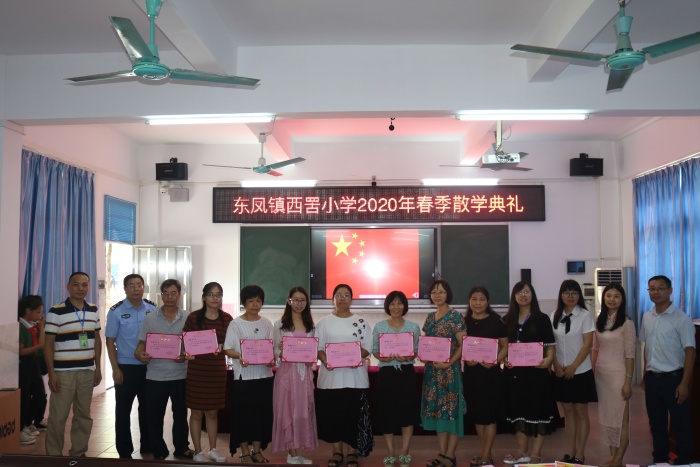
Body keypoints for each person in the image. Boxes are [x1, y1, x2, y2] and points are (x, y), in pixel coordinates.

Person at [44, 272, 102, 457]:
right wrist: (52, 373)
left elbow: (97, 339)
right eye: (76, 285)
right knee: (58, 417)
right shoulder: (56, 311)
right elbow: (48, 344)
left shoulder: (93, 309)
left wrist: (98, 367)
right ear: (68, 286)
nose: (80, 288)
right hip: (63, 373)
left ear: (89, 287)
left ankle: (78, 453)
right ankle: (54, 456)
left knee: (83, 415)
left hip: (87, 371)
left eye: (84, 285)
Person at [639, 275, 695, 465]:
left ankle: (684, 462)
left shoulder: (681, 319)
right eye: (652, 288)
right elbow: (647, 347)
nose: (656, 292)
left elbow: (690, 352)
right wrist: (645, 373)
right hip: (653, 379)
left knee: (681, 425)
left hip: (674, 379)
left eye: (660, 288)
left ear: (670, 291)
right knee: (656, 424)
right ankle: (660, 461)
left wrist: (684, 383)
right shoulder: (647, 316)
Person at [134, 278, 193, 460]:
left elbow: (191, 346)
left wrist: (185, 355)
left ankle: (181, 447)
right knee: (154, 416)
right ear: (161, 295)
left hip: (180, 375)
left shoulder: (188, 317)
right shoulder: (150, 318)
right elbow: (141, 346)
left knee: (181, 415)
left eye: (173, 293)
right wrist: (140, 355)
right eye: (166, 293)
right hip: (155, 376)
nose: (169, 297)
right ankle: (158, 450)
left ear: (179, 294)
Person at [316, 284, 374, 467]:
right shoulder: (324, 322)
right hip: (330, 379)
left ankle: (352, 452)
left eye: (346, 295)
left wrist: (355, 357)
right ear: (333, 299)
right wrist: (326, 360)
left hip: (355, 379)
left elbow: (368, 346)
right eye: (338, 295)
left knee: (353, 417)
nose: (342, 298)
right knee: (333, 417)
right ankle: (337, 452)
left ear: (351, 299)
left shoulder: (361, 321)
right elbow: (318, 347)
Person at [502, 281, 555, 465]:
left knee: (537, 413)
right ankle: (523, 452)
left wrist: (549, 359)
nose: (523, 295)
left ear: (532, 295)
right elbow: (502, 348)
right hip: (514, 375)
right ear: (514, 296)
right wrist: (504, 360)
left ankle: (535, 455)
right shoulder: (507, 319)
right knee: (517, 413)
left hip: (536, 374)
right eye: (519, 292)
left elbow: (550, 347)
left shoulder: (542, 319)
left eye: (526, 292)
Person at [105, 273, 156, 458]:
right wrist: (115, 369)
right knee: (123, 410)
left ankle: (147, 446)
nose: (136, 289)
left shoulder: (152, 308)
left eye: (139, 285)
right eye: (132, 285)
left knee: (147, 409)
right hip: (125, 367)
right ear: (125, 288)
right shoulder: (116, 311)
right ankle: (124, 450)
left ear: (144, 287)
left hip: (149, 367)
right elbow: (110, 341)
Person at [223, 285, 275, 463]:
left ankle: (257, 451)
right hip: (244, 378)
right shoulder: (236, 324)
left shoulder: (267, 323)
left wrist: (271, 359)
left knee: (261, 416)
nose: (255, 304)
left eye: (258, 300)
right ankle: (245, 452)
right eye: (250, 300)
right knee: (243, 416)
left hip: (264, 377)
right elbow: (227, 349)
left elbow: (271, 349)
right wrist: (240, 356)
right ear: (244, 303)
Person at [183, 282, 233, 463]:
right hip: (197, 372)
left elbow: (231, 345)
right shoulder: (193, 318)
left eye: (218, 294)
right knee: (196, 413)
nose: (215, 298)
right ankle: (197, 451)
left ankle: (213, 449)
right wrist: (187, 352)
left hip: (216, 372)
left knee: (212, 413)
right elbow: (185, 342)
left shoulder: (227, 319)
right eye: (211, 294)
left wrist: (223, 348)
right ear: (204, 297)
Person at [372, 291, 421, 467]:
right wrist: (383, 358)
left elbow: (417, 350)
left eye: (399, 303)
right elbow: (375, 349)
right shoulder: (379, 326)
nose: (396, 307)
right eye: (392, 303)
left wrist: (408, 357)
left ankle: (405, 452)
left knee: (407, 412)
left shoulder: (413, 327)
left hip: (406, 373)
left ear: (404, 306)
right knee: (387, 413)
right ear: (388, 306)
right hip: (387, 374)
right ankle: (391, 452)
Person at [551, 279, 597, 465]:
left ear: (579, 295)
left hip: (580, 371)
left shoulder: (585, 316)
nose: (570, 296)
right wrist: (556, 364)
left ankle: (580, 453)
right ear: (561, 295)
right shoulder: (554, 315)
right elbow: (551, 344)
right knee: (568, 412)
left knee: (581, 412)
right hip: (560, 371)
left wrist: (573, 366)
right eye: (566, 292)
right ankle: (570, 451)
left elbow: (588, 345)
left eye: (574, 293)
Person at [421, 279, 466, 467]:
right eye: (434, 292)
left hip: (450, 373)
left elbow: (463, 346)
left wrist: (448, 364)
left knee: (451, 412)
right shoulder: (430, 317)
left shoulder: (456, 317)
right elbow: (426, 344)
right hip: (432, 373)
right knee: (438, 413)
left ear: (448, 294)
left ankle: (451, 455)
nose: (437, 295)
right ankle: (441, 453)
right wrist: (423, 355)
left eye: (441, 292)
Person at [272, 286, 318, 464]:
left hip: (304, 375)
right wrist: (280, 350)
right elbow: (274, 352)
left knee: (302, 413)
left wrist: (310, 358)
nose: (299, 303)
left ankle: (297, 451)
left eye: (302, 300)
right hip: (286, 375)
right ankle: (292, 453)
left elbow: (313, 351)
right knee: (288, 412)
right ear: (289, 301)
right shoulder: (279, 325)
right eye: (296, 300)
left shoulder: (310, 326)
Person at [462, 286, 508, 467]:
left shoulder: (497, 321)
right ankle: (484, 452)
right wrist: (466, 358)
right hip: (472, 375)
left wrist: (495, 360)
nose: (478, 303)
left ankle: (486, 455)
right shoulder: (464, 322)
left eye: (482, 299)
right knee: (478, 415)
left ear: (487, 301)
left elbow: (505, 346)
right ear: (469, 301)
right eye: (474, 299)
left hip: (490, 375)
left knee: (489, 416)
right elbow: (461, 347)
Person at [591, 283, 635, 467]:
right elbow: (595, 349)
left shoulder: (627, 323)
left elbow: (630, 354)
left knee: (621, 419)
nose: (612, 299)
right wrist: (592, 373)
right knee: (608, 418)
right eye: (609, 295)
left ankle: (618, 459)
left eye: (617, 296)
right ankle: (613, 458)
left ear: (622, 300)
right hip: (601, 376)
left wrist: (628, 381)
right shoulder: (598, 321)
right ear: (604, 298)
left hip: (619, 376)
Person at [18, 295, 47, 445]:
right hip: (25, 364)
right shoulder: (21, 327)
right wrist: (39, 346)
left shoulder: (31, 326)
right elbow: (21, 351)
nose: (40, 316)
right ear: (28, 311)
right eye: (38, 312)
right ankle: (21, 428)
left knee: (40, 394)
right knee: (24, 397)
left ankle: (28, 422)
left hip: (34, 363)